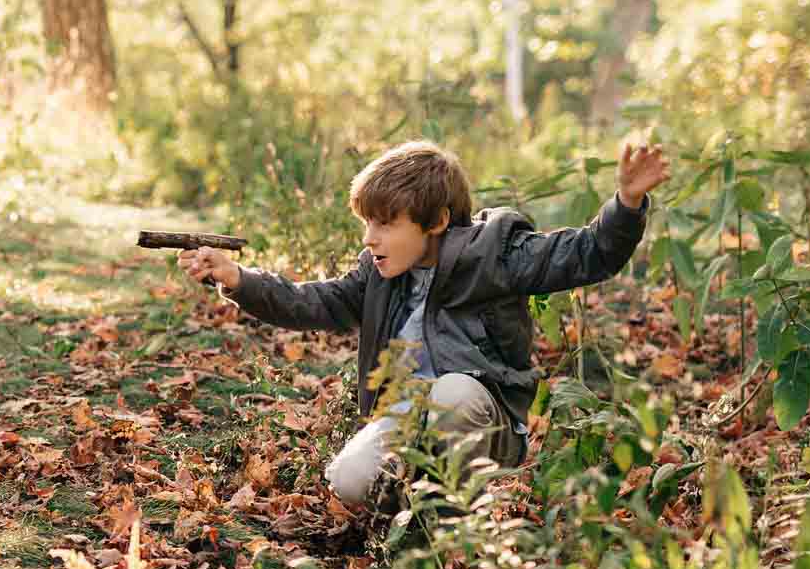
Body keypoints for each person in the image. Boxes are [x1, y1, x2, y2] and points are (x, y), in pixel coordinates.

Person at [178, 137, 670, 510]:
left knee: (452, 393)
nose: (371, 238)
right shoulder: (380, 271)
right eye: (367, 224)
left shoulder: (494, 253)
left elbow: (587, 254)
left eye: (386, 223)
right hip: (408, 420)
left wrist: (625, 204)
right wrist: (238, 279)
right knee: (347, 481)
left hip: (484, 419)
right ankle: (413, 514)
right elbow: (314, 302)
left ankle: (462, 510)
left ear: (435, 222)